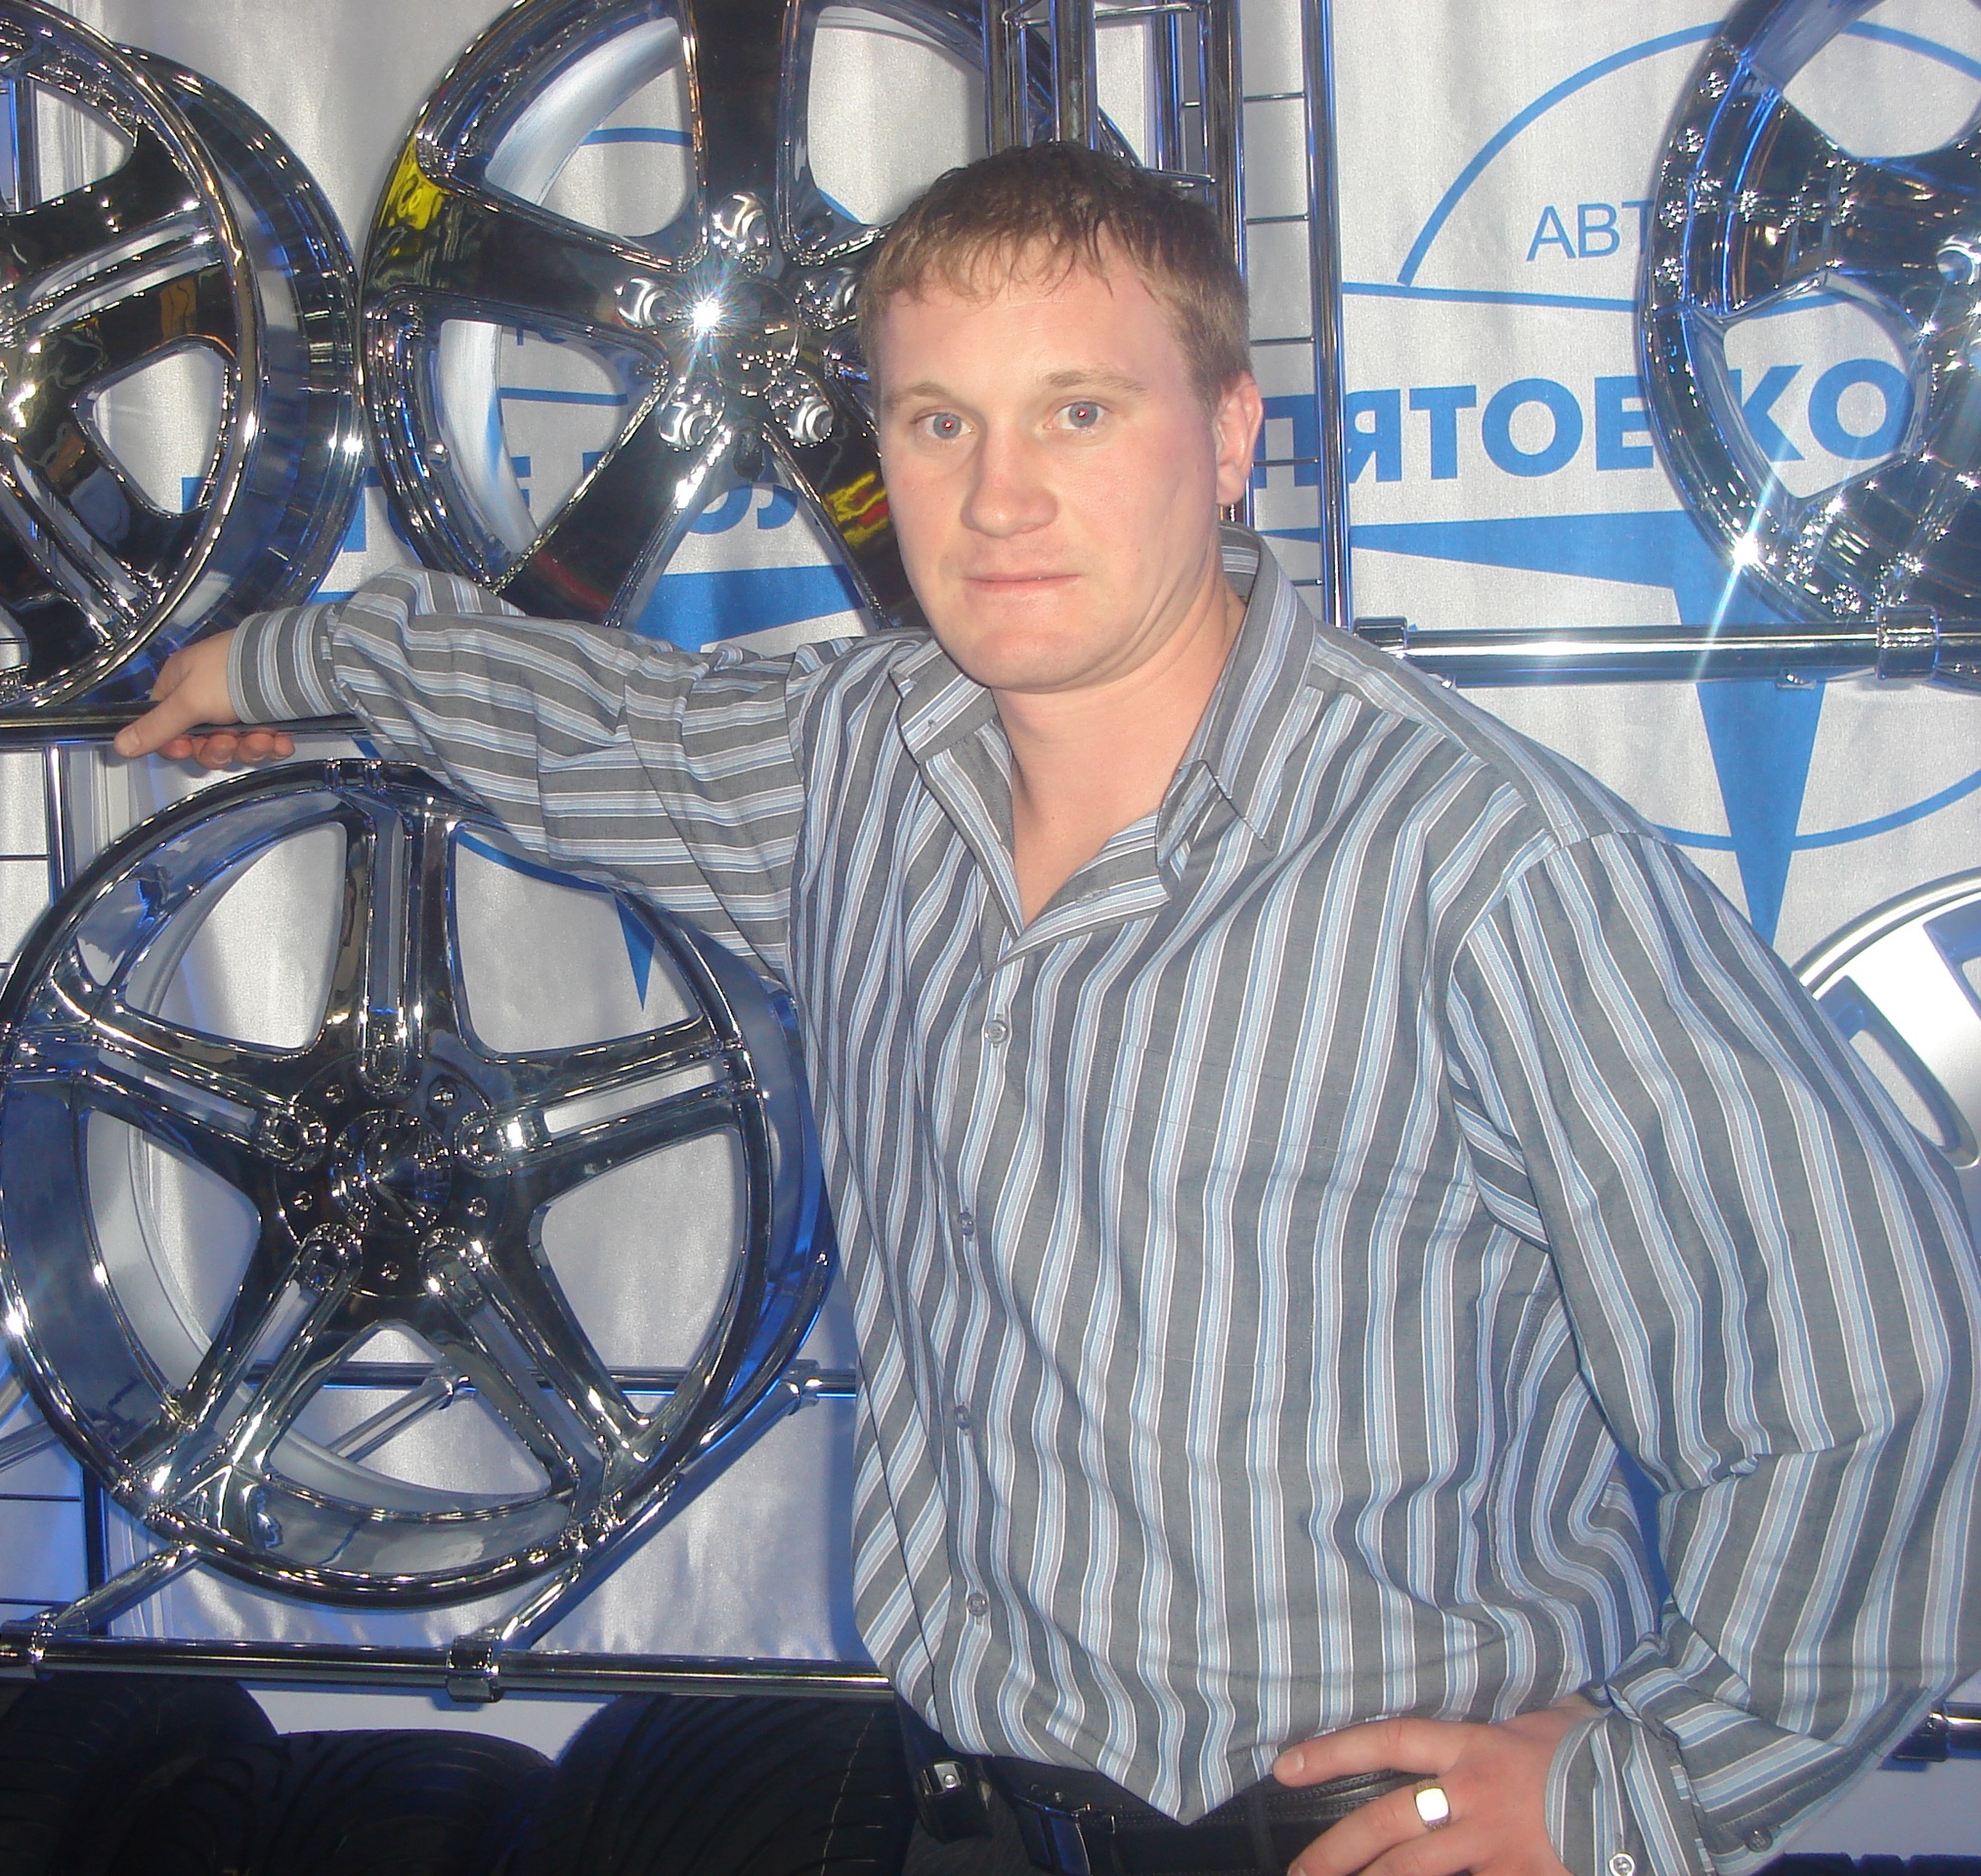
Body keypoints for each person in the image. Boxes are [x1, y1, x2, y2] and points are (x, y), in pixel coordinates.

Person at [116, 144, 1980, 1876]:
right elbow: (573, 720)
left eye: (1078, 411)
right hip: (975, 1811)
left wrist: (1641, 1791)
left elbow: (1863, 1370)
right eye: (940, 421)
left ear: (1229, 435)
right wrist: (287, 656)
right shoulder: (852, 768)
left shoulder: (1488, 872)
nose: (998, 498)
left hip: (1347, 1837)